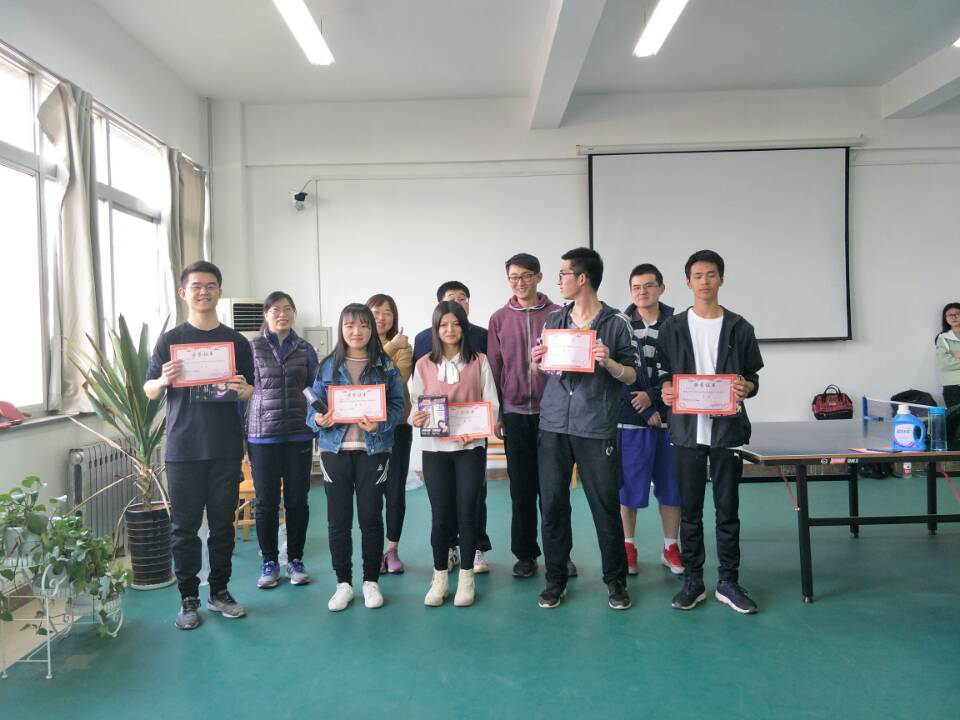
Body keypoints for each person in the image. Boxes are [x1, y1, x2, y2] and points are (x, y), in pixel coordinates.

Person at [144, 260, 254, 630]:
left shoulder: (236, 342)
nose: (203, 292)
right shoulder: (170, 340)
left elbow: (250, 389)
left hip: (225, 447)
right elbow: (149, 389)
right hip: (183, 448)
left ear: (219, 291)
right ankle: (188, 598)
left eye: (210, 285)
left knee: (223, 525)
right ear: (183, 293)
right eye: (196, 286)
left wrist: (244, 389)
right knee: (184, 527)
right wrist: (163, 380)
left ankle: (219, 591)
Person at [657, 249, 764, 614]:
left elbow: (753, 377)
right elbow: (662, 374)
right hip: (687, 431)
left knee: (727, 509)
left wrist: (747, 387)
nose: (705, 281)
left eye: (711, 274)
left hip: (727, 431)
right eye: (698, 275)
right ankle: (693, 580)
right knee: (690, 510)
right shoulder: (672, 328)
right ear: (688, 282)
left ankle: (728, 582)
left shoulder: (739, 327)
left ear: (721, 279)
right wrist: (665, 389)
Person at [532, 247, 638, 611]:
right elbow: (542, 370)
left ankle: (616, 582)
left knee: (604, 506)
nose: (558, 280)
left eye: (563, 274)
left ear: (582, 278)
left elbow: (632, 375)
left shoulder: (617, 322)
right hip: (554, 424)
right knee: (552, 505)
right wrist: (535, 361)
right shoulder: (553, 320)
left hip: (595, 426)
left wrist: (609, 362)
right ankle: (555, 579)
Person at [307, 304, 404, 611]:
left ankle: (371, 582)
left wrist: (380, 423)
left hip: (373, 450)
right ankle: (343, 584)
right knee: (338, 521)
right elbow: (313, 408)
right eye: (349, 326)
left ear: (371, 329)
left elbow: (399, 405)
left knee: (371, 518)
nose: (356, 332)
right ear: (341, 329)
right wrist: (318, 420)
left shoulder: (385, 365)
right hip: (334, 451)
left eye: (363, 325)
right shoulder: (327, 365)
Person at [410, 301, 500, 607]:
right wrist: (416, 416)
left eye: (456, 323)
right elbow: (415, 402)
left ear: (464, 326)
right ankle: (439, 579)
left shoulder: (479, 361)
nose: (450, 329)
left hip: (469, 449)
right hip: (435, 449)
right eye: (443, 324)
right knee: (440, 515)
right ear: (436, 329)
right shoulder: (424, 364)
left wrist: (477, 429)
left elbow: (491, 402)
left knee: (467, 512)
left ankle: (466, 578)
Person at [487, 253, 559, 578]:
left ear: (538, 277)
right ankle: (525, 555)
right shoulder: (499, 319)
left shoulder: (558, 314)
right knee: (521, 489)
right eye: (513, 277)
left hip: (552, 414)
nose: (520, 282)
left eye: (526, 275)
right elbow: (494, 368)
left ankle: (559, 555)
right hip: (515, 413)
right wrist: (498, 413)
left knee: (554, 490)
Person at [247, 291, 319, 589]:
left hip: (298, 433)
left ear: (294, 314)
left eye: (287, 309)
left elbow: (314, 388)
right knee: (266, 502)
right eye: (275, 309)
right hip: (262, 435)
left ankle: (295, 560)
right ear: (265, 314)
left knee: (297, 500)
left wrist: (320, 421)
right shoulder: (252, 348)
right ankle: (269, 562)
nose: (282, 314)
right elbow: (242, 390)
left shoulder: (305, 349)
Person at [617, 264, 683, 576]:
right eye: (636, 287)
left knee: (671, 487)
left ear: (661, 288)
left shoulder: (677, 324)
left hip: (671, 420)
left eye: (649, 285)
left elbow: (681, 368)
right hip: (630, 420)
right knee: (628, 489)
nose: (642, 292)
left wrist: (654, 400)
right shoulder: (619, 324)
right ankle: (628, 547)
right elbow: (617, 373)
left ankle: (670, 547)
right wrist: (644, 409)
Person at [367, 293, 413, 573]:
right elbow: (365, 376)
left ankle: (392, 550)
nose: (381, 317)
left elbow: (393, 378)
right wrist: (391, 347)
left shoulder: (405, 346)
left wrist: (394, 345)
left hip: (397, 427)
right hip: (366, 429)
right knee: (370, 493)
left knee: (395, 491)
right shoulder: (356, 346)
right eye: (375, 312)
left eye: (387, 312)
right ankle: (373, 551)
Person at [935, 302, 960, 448]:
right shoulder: (943, 338)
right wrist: (952, 358)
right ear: (945, 318)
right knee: (955, 424)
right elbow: (944, 363)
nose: (954, 317)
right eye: (950, 315)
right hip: (953, 388)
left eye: (957, 314)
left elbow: (951, 362)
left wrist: (956, 356)